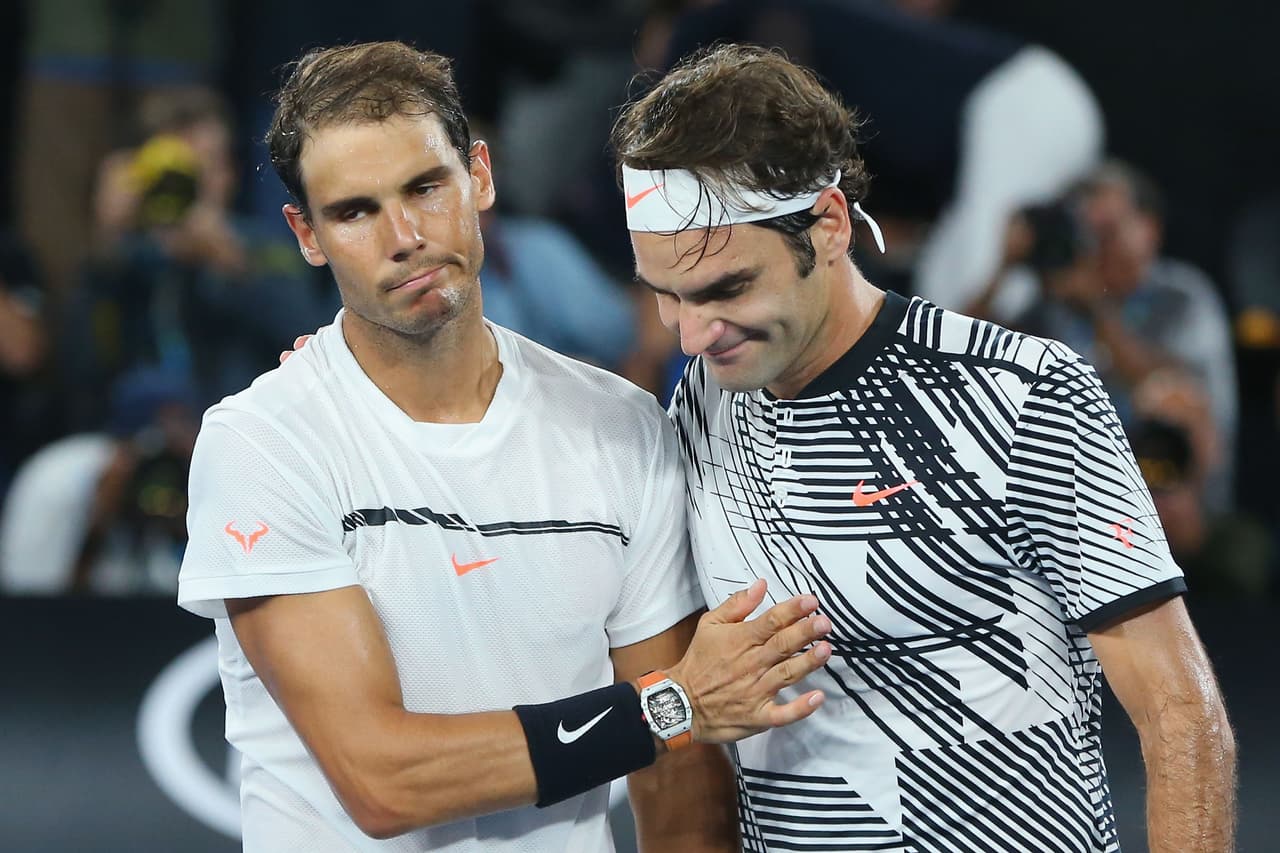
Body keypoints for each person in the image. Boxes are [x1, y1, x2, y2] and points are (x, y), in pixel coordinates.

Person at [176, 41, 833, 852]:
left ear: (478, 177)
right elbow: (382, 780)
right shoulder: (263, 443)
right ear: (306, 234)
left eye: (426, 187)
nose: (405, 235)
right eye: (355, 211)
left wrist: (675, 712)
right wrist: (671, 706)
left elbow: (677, 775)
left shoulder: (618, 425)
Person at [610, 43, 1235, 852]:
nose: (692, 334)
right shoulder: (706, 396)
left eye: (728, 287)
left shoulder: (1025, 394)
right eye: (667, 294)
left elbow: (1182, 713)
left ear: (828, 225)